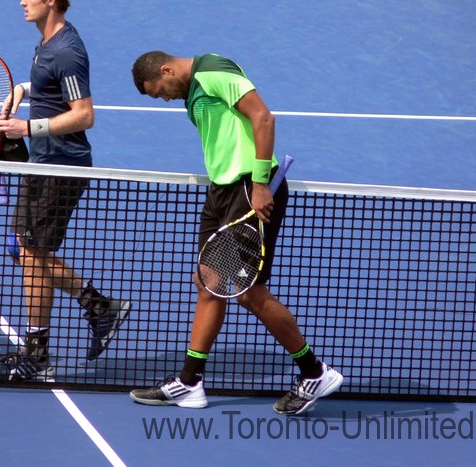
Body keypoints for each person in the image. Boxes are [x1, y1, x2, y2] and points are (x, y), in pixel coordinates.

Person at [128, 51, 342, 415]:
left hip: (248, 190)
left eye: (160, 90)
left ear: (166, 70)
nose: (164, 97)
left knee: (247, 293)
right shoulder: (195, 87)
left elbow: (263, 117)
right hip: (222, 192)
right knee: (208, 281)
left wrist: (260, 183)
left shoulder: (212, 71)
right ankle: (190, 382)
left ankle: (314, 372)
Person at [0, 0, 131, 382]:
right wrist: (21, 91)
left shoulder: (66, 50)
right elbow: (50, 87)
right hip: (43, 163)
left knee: (31, 254)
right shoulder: (46, 43)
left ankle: (43, 352)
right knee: (25, 250)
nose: (21, 2)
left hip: (61, 167)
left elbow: (83, 115)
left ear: (50, 0)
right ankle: (95, 310)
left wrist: (27, 126)